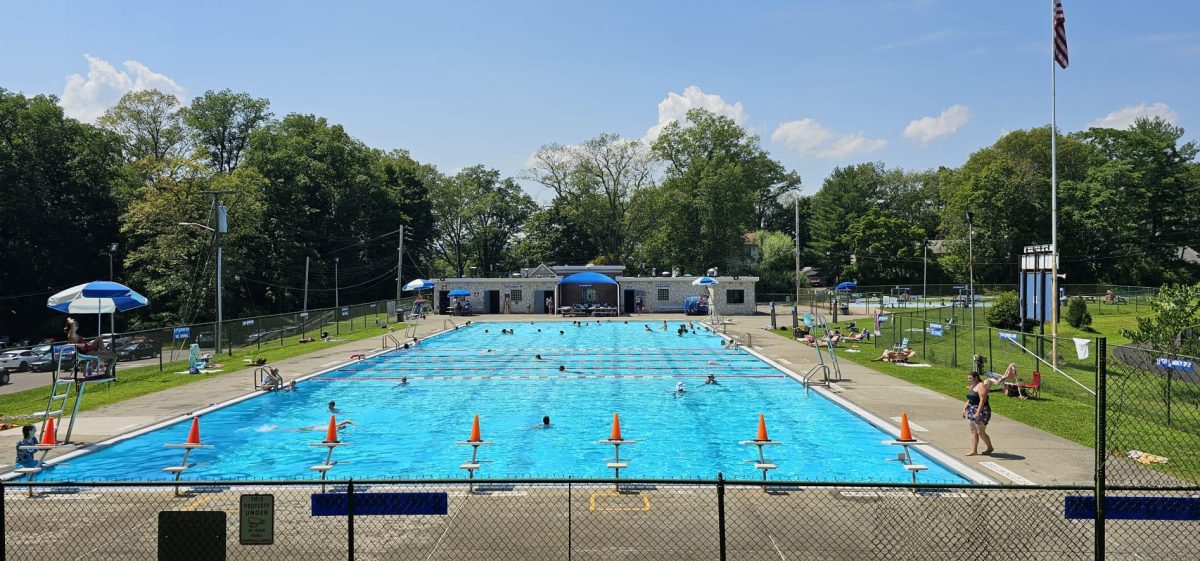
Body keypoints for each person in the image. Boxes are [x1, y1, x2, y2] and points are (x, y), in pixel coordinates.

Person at [962, 371, 994, 456]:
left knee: (980, 432)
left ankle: (990, 447)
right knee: (973, 431)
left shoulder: (981, 386)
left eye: (970, 378)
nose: (968, 380)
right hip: (971, 409)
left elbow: (982, 400)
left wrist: (978, 412)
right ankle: (973, 450)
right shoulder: (972, 385)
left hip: (982, 411)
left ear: (976, 378)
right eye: (968, 378)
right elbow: (969, 398)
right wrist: (964, 409)